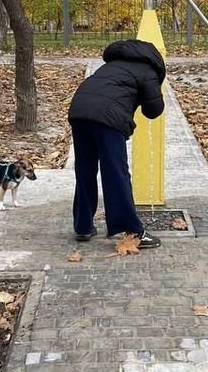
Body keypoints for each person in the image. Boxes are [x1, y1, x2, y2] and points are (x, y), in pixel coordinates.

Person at [67, 39, 166, 248]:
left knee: (85, 169)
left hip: (79, 110)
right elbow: (154, 110)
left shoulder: (109, 66)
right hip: (108, 117)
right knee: (115, 172)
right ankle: (133, 232)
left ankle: (83, 226)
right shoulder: (147, 70)